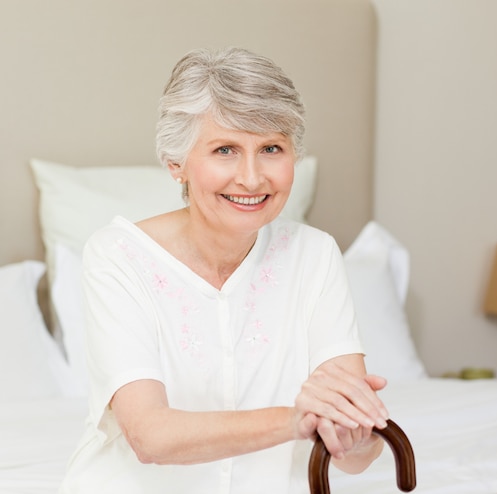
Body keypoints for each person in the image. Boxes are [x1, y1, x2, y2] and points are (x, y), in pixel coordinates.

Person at [60, 47, 388, 493]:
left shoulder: (315, 255)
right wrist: (299, 419)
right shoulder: (117, 256)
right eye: (225, 150)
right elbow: (150, 436)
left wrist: (358, 428)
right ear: (177, 164)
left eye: (271, 148)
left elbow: (356, 459)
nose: (252, 178)